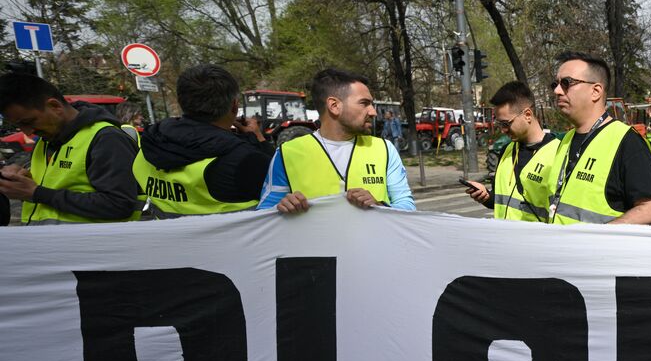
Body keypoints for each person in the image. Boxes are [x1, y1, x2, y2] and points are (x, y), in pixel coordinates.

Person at [257, 67, 415, 214]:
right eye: (364, 103)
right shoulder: (288, 153)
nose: (373, 112)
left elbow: (407, 206)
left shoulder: (384, 149)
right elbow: (263, 215)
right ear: (334, 106)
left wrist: (380, 206)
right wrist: (281, 208)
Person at [131, 63, 274, 217]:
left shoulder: (149, 144)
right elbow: (281, 182)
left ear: (181, 102)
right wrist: (259, 139)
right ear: (234, 106)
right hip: (231, 240)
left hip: (163, 238)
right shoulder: (245, 160)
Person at [0, 69, 140, 224]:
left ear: (55, 106)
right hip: (48, 244)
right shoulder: (46, 139)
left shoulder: (106, 138)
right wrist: (22, 179)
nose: (28, 132)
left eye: (28, 122)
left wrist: (36, 193)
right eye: (19, 126)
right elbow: (55, 184)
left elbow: (119, 204)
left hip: (87, 246)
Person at [545, 51, 651, 225]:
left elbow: (650, 209)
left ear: (596, 91)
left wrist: (601, 236)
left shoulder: (627, 141)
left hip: (598, 252)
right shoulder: (566, 139)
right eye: (555, 84)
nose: (557, 90)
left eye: (566, 83)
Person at [464, 80, 559, 221]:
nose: (503, 130)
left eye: (506, 123)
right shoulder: (506, 150)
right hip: (504, 240)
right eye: (499, 124)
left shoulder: (558, 153)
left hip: (536, 242)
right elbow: (501, 201)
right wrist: (486, 196)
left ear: (527, 115)